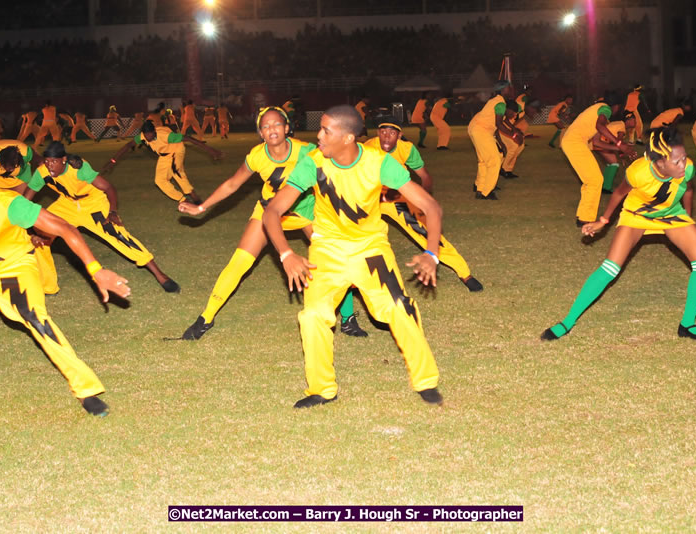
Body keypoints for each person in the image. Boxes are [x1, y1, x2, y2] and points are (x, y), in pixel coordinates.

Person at [261, 105, 444, 408]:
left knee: (399, 308)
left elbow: (431, 207)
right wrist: (286, 254)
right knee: (312, 316)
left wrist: (432, 254)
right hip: (327, 251)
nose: (318, 136)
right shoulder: (313, 163)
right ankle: (321, 389)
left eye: (326, 131)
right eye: (320, 128)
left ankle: (426, 381)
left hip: (371, 251)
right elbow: (273, 212)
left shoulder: (379, 163)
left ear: (348, 139)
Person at [0, 160, 131, 415]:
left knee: (35, 318)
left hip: (13, 268)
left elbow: (64, 228)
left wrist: (96, 270)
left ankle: (86, 390)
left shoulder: (9, 205)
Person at [176, 107, 367, 340]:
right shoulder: (257, 155)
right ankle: (206, 318)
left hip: (306, 211)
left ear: (287, 127)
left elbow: (339, 165)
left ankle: (348, 318)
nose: (271, 129)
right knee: (239, 263)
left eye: (276, 124)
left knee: (334, 261)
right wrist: (200, 207)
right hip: (270, 212)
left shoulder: (307, 151)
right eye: (265, 126)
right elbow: (232, 184)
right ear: (260, 133)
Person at [542, 127, 696, 342]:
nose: (683, 164)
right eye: (676, 161)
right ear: (659, 162)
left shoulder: (686, 168)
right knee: (610, 268)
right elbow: (620, 193)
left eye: (684, 158)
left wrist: (688, 216)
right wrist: (603, 221)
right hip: (637, 215)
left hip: (671, 214)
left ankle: (687, 324)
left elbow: (687, 188)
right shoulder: (637, 172)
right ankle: (567, 321)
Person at [24, 141, 179, 294]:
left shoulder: (79, 168)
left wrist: (112, 212)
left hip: (93, 203)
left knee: (118, 236)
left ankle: (160, 274)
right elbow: (25, 201)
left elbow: (108, 187)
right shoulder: (42, 172)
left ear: (63, 159)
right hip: (67, 204)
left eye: (54, 162)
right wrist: (34, 230)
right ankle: (48, 286)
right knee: (39, 237)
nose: (49, 165)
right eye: (47, 161)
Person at [364, 116, 483, 292]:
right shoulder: (367, 147)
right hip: (369, 196)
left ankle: (464, 273)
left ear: (399, 135)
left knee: (425, 230)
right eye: (383, 132)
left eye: (392, 132)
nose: (387, 136)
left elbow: (425, 176)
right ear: (377, 133)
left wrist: (422, 200)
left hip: (397, 196)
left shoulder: (407, 149)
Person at [561, 96, 634, 226]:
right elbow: (599, 126)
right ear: (616, 106)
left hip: (575, 142)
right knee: (595, 180)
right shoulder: (605, 109)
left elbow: (596, 142)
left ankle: (583, 216)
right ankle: (585, 219)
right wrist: (619, 143)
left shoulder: (597, 112)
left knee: (591, 180)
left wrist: (620, 149)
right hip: (574, 142)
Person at [103, 120, 201, 203]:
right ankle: (183, 199)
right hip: (164, 154)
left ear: (154, 131)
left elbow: (189, 138)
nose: (148, 137)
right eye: (146, 135)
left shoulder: (165, 136)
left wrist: (211, 151)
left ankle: (190, 199)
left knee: (176, 171)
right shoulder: (143, 136)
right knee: (159, 181)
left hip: (177, 150)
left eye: (150, 134)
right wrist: (113, 161)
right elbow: (128, 145)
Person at [469, 81, 518, 200]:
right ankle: (487, 191)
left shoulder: (496, 101)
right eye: (508, 88)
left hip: (476, 129)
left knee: (485, 161)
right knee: (494, 161)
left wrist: (501, 143)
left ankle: (480, 189)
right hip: (481, 131)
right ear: (502, 90)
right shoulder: (500, 103)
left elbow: (495, 126)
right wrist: (514, 136)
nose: (510, 90)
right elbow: (499, 124)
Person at [590, 110, 638, 194]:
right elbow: (619, 142)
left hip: (599, 141)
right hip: (599, 142)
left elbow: (618, 144)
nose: (635, 122)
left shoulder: (619, 124)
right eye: (633, 119)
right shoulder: (622, 126)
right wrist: (624, 152)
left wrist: (622, 154)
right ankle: (606, 187)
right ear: (628, 121)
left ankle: (604, 185)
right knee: (614, 162)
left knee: (612, 162)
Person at [498, 101, 525, 179]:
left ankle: (508, 170)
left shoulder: (506, 112)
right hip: (496, 131)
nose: (514, 115)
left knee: (520, 146)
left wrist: (514, 129)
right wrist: (513, 135)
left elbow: (506, 121)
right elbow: (499, 125)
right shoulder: (500, 111)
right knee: (513, 146)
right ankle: (502, 169)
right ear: (508, 109)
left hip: (501, 129)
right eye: (513, 113)